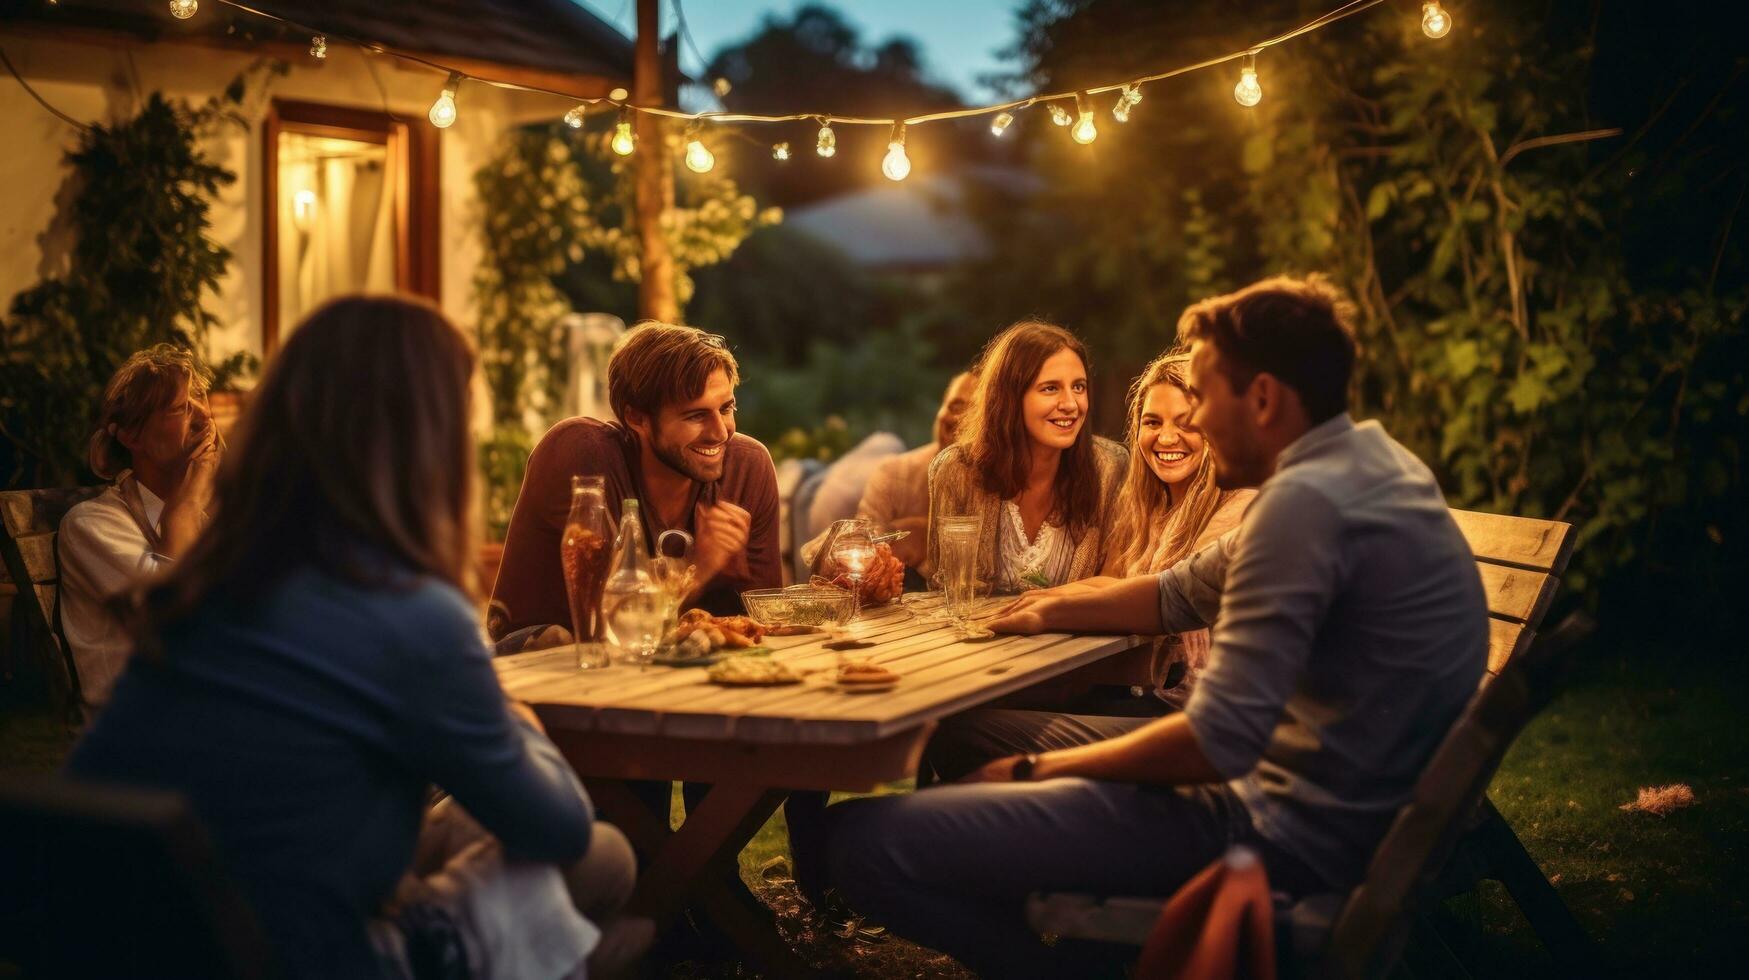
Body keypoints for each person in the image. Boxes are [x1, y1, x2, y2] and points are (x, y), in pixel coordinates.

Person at [820, 276, 1489, 979]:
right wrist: (1050, 607)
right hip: (1315, 795)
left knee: (861, 843)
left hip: (1270, 828)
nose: (1190, 421)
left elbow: (1215, 741)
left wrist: (1033, 771)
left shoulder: (1305, 508)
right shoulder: (1367, 466)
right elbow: (1173, 595)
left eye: (1200, 398)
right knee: (966, 740)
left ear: (1260, 398)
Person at [67, 296, 646, 980]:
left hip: (149, 936)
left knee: (599, 858)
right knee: (601, 868)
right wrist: (513, 715)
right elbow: (558, 826)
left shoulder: (203, 593)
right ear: (427, 443)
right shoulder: (409, 608)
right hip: (305, 953)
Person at [915, 351, 1255, 784]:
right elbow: (1114, 580)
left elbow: (1164, 595)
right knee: (959, 717)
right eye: (1153, 423)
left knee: (961, 733)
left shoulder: (1240, 505)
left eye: (1187, 423)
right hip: (1140, 695)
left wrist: (1046, 613)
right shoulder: (1148, 503)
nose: (1167, 438)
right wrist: (1038, 599)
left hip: (1186, 719)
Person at [491, 323, 781, 636]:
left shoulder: (748, 467)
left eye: (726, 408)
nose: (720, 431)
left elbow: (765, 620)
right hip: (551, 662)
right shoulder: (581, 456)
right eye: (695, 416)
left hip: (691, 669)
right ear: (637, 418)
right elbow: (616, 625)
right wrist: (699, 567)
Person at [59, 344, 221, 707]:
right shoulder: (91, 525)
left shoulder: (211, 521)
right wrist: (184, 507)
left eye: (200, 400)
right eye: (180, 408)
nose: (204, 418)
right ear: (132, 436)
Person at [922, 322, 1126, 592]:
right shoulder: (957, 470)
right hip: (981, 633)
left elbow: (1115, 584)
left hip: (1083, 635)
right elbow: (948, 589)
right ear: (1010, 397)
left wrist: (1046, 611)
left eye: (1078, 387)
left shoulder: (1110, 467)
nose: (1070, 404)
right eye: (1050, 388)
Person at [856, 370, 976, 569]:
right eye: (956, 405)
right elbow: (857, 552)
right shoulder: (893, 473)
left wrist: (928, 535)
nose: (961, 419)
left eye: (977, 412)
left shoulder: (1006, 485)